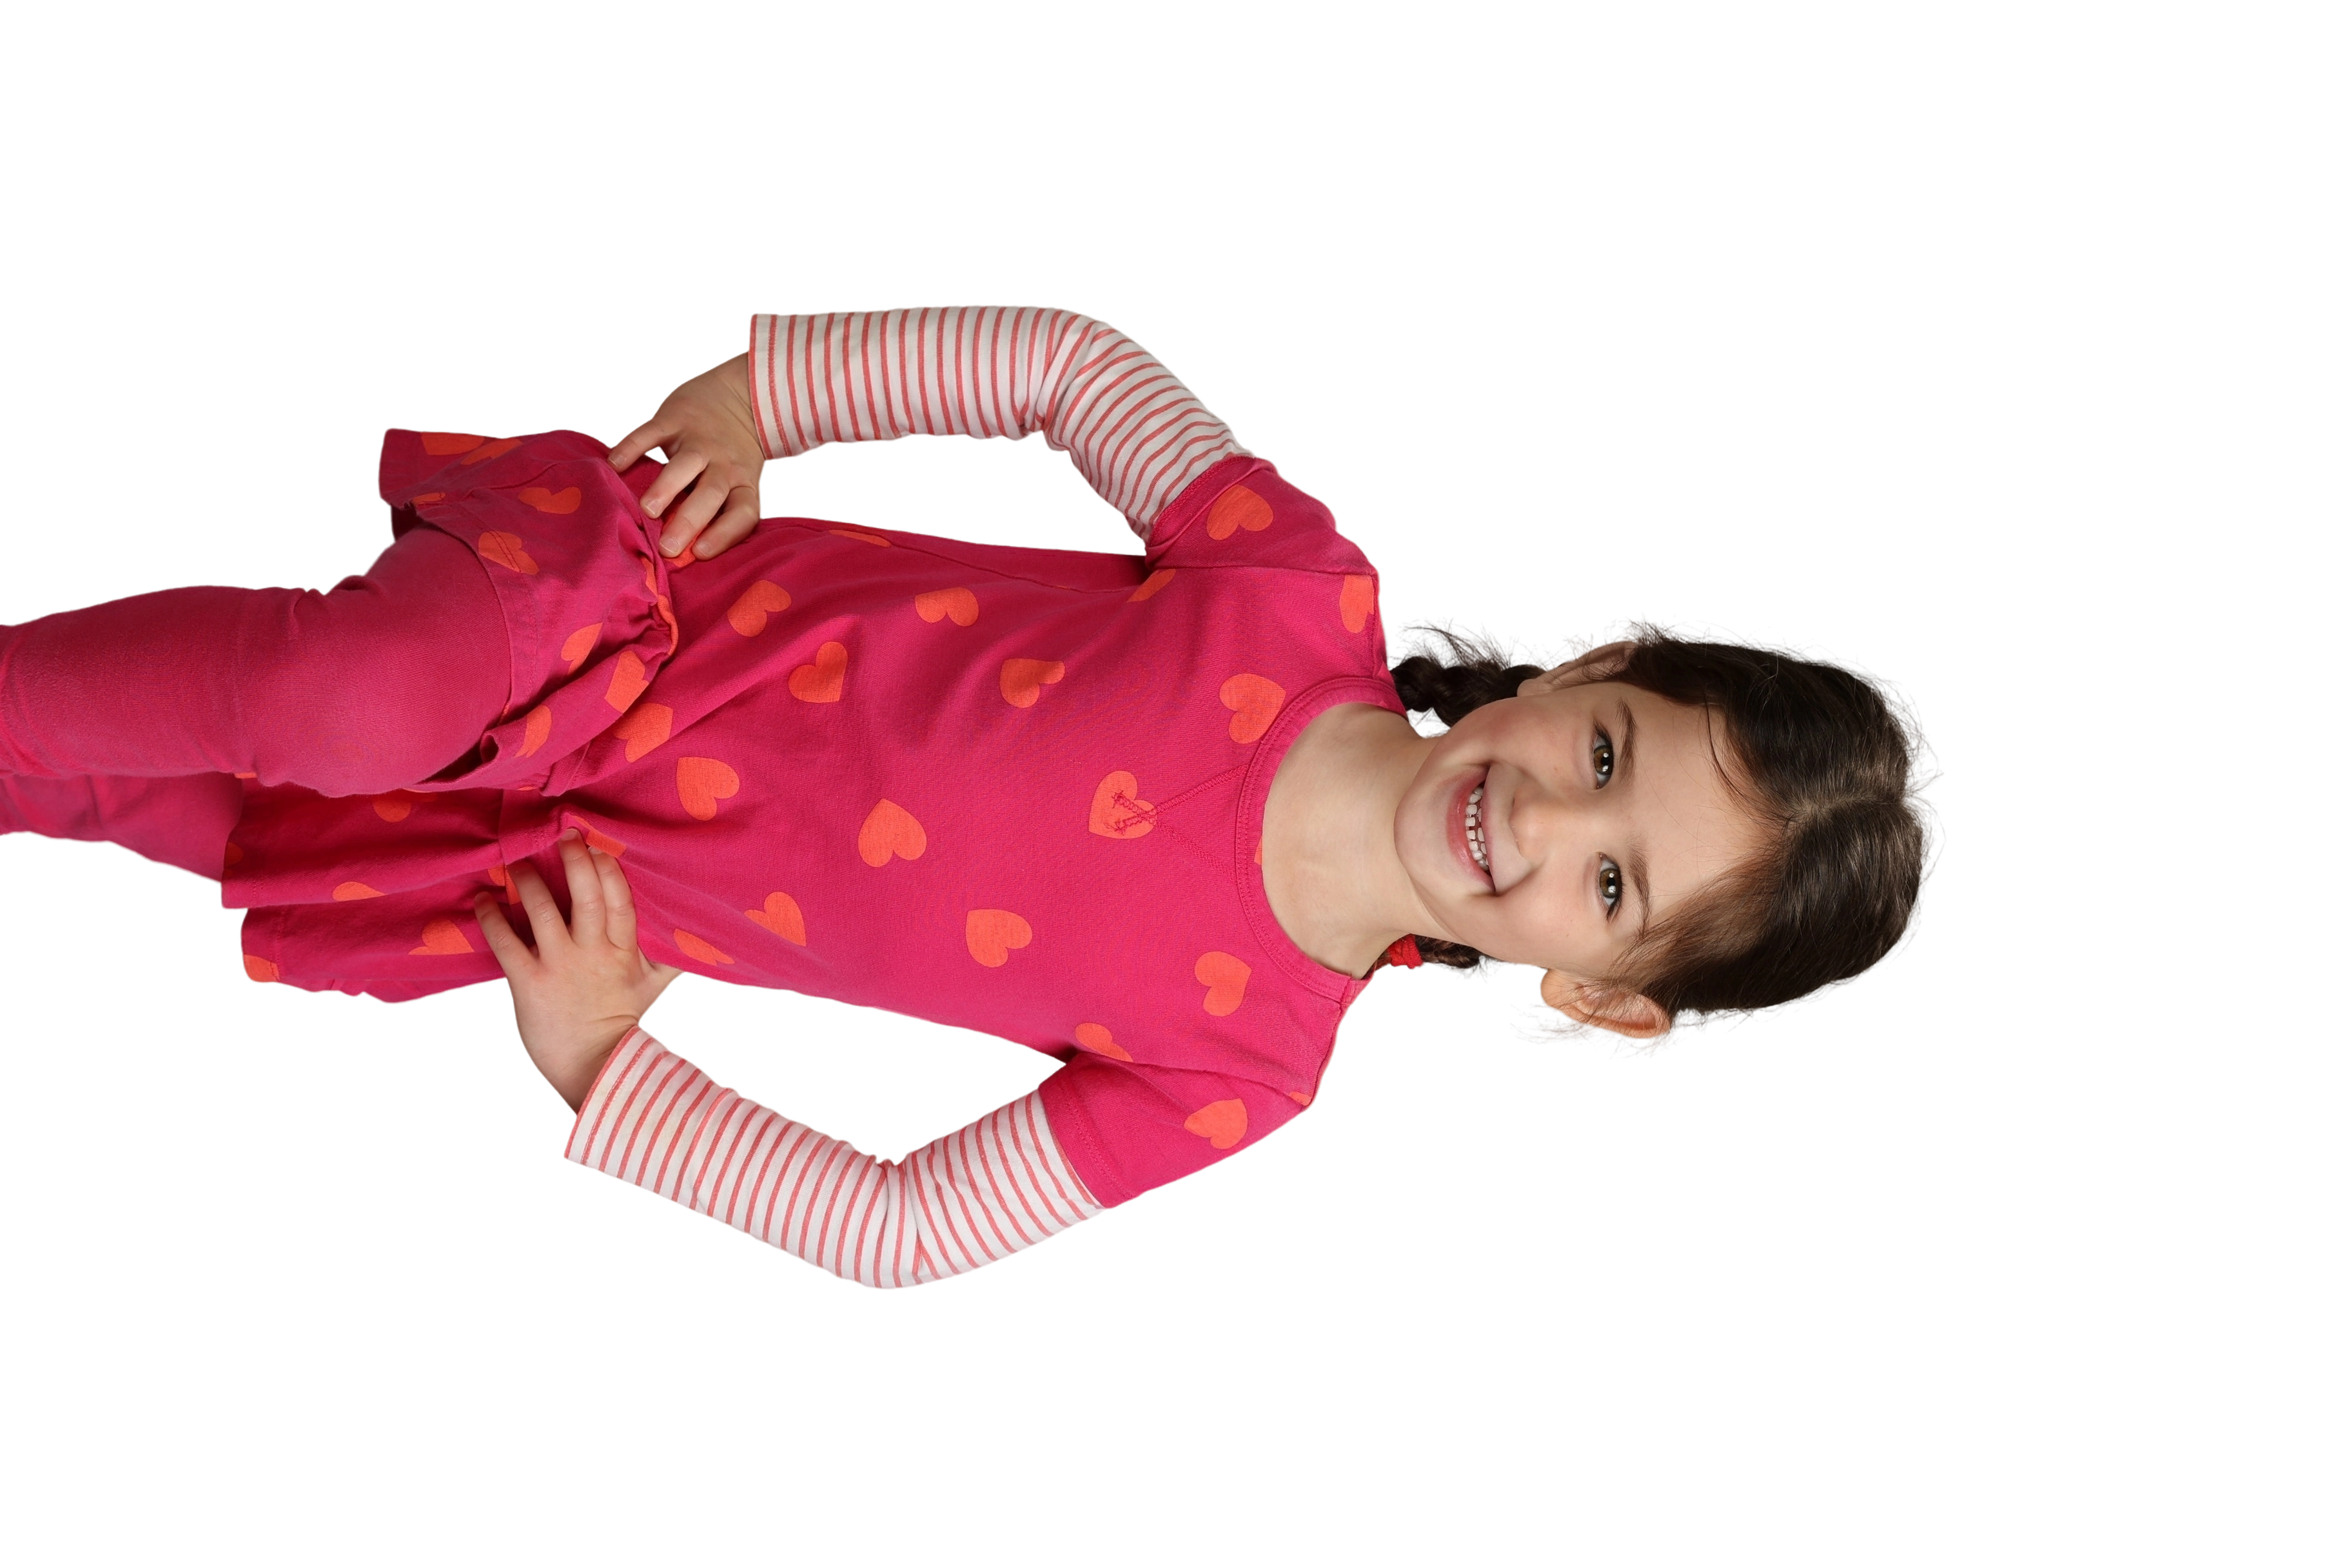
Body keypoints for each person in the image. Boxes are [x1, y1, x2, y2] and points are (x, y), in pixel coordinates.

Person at [0, 304, 1949, 1291]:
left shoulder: (1237, 1073)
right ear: (1593, 665)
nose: (1541, 825)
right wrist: (763, 396)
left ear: (1604, 996)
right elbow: (1071, 368)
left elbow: (908, 1227)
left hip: (545, 864)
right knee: (353, 700)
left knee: (170, 809)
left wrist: (610, 1068)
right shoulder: (1296, 588)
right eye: (1604, 759)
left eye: (1614, 889)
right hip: (614, 615)